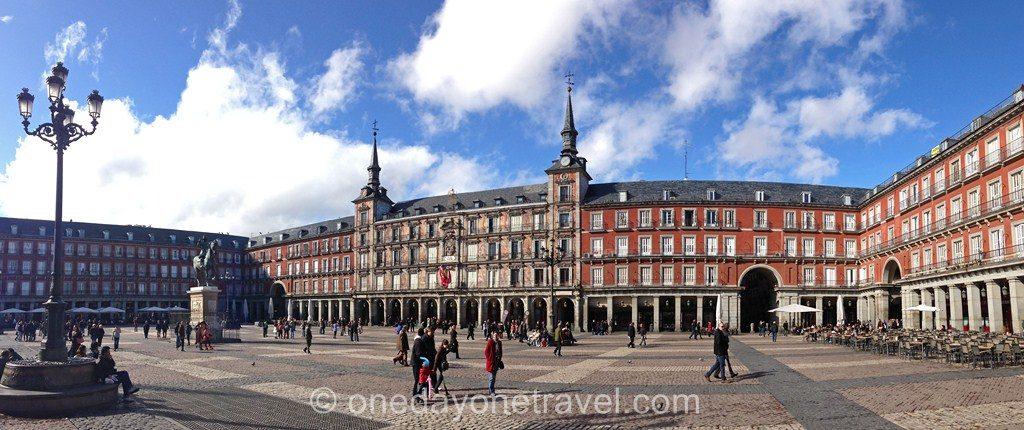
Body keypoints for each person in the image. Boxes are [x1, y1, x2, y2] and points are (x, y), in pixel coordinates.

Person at [484, 331, 502, 396]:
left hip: (496, 362)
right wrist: (489, 358)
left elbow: (500, 352)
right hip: (491, 362)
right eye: (495, 335)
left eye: (497, 335)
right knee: (491, 377)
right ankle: (491, 391)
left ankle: (491, 390)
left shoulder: (499, 342)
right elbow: (486, 352)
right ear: (492, 336)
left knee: (493, 378)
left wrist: (499, 359)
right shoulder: (490, 342)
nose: (496, 337)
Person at [411, 328, 425, 399]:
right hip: (416, 363)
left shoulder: (418, 340)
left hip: (416, 362)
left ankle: (415, 394)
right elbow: (418, 353)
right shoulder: (418, 342)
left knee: (418, 379)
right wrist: (424, 360)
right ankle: (416, 394)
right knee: (417, 379)